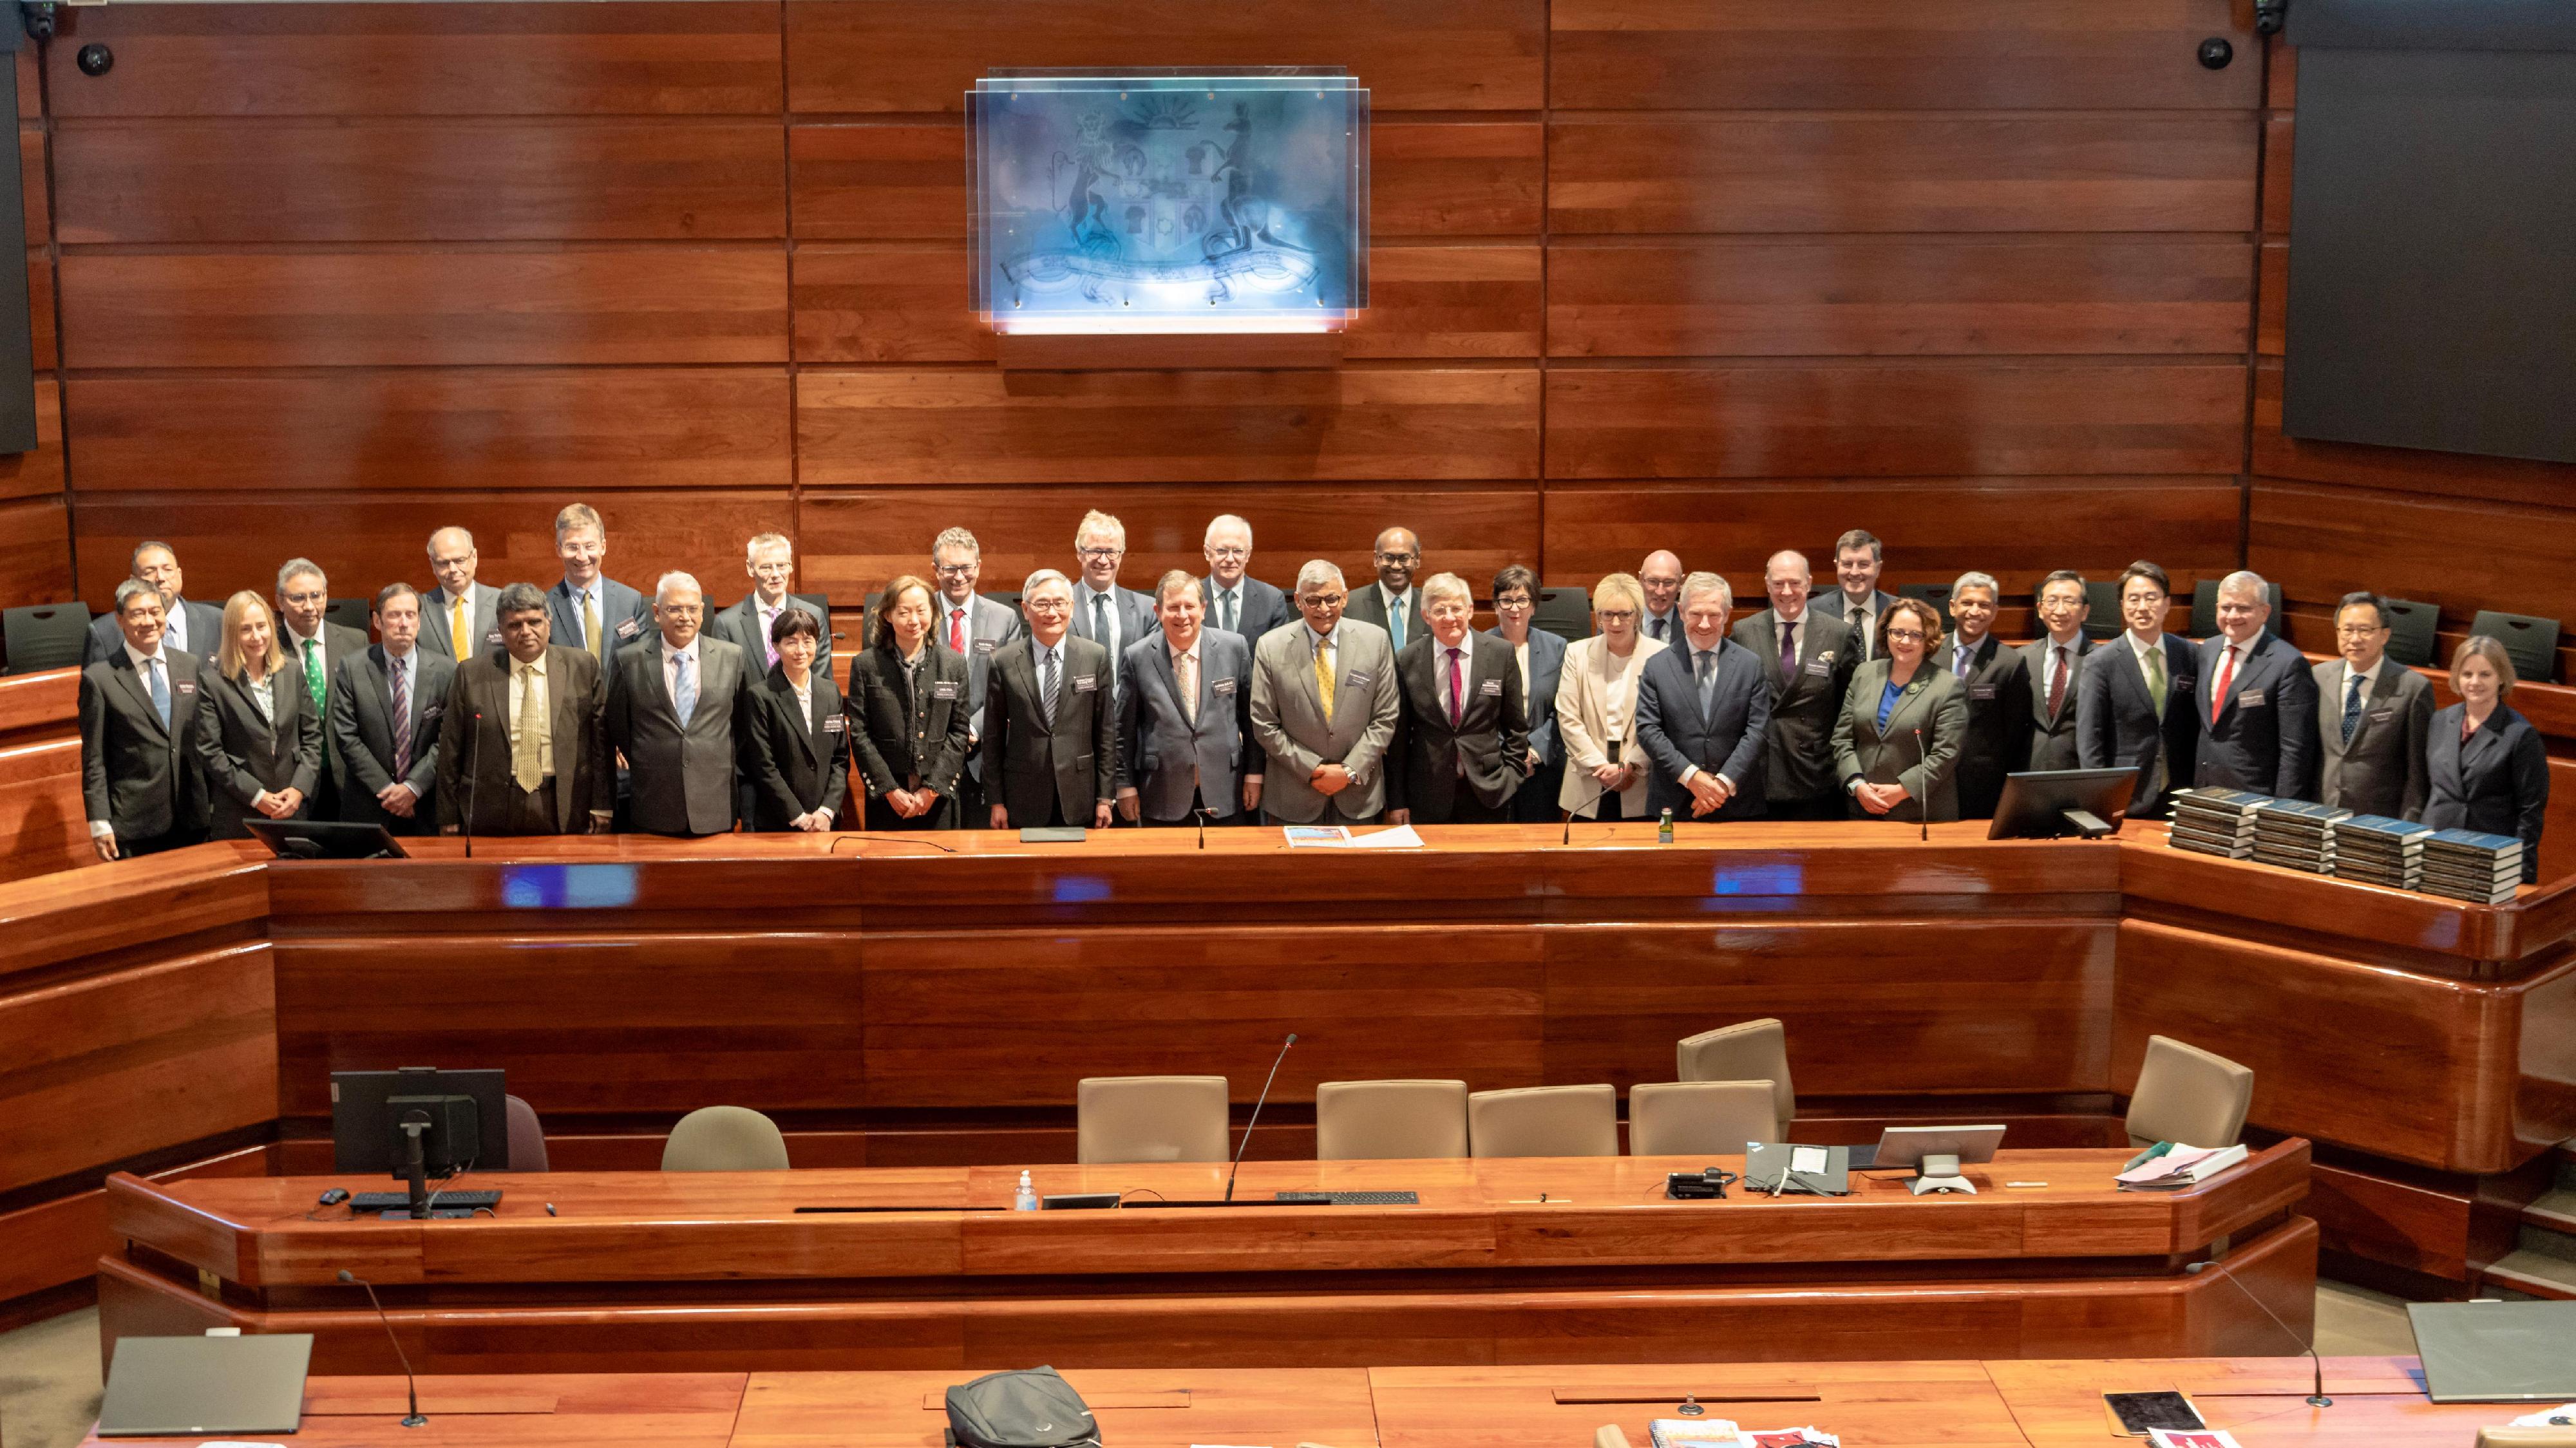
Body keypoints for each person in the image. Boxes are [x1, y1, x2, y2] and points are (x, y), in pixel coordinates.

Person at [435, 581, 614, 836]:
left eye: (534, 622)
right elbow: (451, 749)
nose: (526, 632)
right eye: (515, 625)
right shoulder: (471, 674)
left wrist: (603, 805)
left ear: (549, 623)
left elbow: (601, 742)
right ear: (501, 631)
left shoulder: (582, 666)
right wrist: (448, 815)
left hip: (564, 803)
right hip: (492, 807)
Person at [1250, 559, 1402, 826]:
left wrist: (1349, 771)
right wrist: (1312, 769)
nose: (1324, 609)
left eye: (1332, 599)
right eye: (1313, 600)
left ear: (1345, 598)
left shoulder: (1375, 641)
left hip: (1358, 796)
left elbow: (1386, 717)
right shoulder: (1270, 647)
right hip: (1293, 797)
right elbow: (1264, 724)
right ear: (1298, 601)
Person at [606, 572, 748, 837]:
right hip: (654, 805)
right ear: (657, 613)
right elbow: (620, 727)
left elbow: (740, 726)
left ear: (702, 611)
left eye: (692, 609)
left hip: (714, 806)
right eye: (674, 609)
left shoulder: (732, 657)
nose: (685, 617)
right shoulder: (628, 661)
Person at [1116, 570, 1260, 827]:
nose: (1182, 615)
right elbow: (1123, 731)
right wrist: (1125, 786)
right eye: (1173, 607)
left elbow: (1250, 721)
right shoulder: (1137, 657)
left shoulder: (1234, 648)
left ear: (1203, 609)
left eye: (1190, 606)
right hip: (1161, 795)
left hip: (1226, 791)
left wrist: (1254, 774)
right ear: (1158, 611)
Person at [79, 581, 207, 860]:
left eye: (155, 611)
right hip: (136, 824)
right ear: (120, 620)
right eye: (138, 614)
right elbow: (94, 759)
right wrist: (99, 823)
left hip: (192, 815)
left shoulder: (189, 664)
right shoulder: (99, 679)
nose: (149, 621)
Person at [1387, 572, 1528, 825]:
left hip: (1489, 791)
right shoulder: (1407, 659)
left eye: (1456, 608)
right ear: (1426, 616)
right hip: (1427, 795)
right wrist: (1398, 799)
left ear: (1470, 610)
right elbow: (1399, 737)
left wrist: (1510, 778)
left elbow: (1516, 728)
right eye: (1440, 610)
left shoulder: (1500, 654)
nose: (1449, 617)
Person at [983, 570, 1117, 829]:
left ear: (1072, 607)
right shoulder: (1003, 661)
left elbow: (1106, 733)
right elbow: (993, 738)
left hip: (1081, 794)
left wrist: (1105, 798)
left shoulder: (1095, 656)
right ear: (1025, 609)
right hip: (1023, 795)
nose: (1052, 612)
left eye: (1059, 603)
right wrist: (996, 801)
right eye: (1042, 604)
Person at [1731, 550, 1857, 820]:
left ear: (1809, 583)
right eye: (1778, 583)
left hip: (1815, 774)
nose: (1786, 592)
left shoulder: (1838, 634)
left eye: (1795, 583)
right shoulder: (1744, 632)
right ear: (1767, 585)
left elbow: (1848, 709)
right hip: (1761, 772)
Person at [1634, 572, 1770, 822]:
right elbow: (1648, 730)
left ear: (1728, 614)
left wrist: (1721, 785)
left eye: (1714, 615)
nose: (1705, 624)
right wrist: (1693, 778)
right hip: (1674, 802)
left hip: (1737, 803)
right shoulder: (1657, 666)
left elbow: (1758, 731)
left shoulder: (1750, 665)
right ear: (1681, 611)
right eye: (1696, 614)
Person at [846, 574, 971, 831]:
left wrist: (932, 789)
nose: (914, 620)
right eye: (904, 612)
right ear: (888, 615)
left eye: (921, 610)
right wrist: (889, 789)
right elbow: (859, 732)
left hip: (938, 797)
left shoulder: (953, 664)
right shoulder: (866, 665)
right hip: (887, 797)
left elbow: (959, 731)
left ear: (933, 613)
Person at [192, 590, 321, 840]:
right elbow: (210, 752)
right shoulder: (213, 682)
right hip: (240, 813)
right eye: (246, 629)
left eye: (262, 626)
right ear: (232, 633)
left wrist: (299, 788)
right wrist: (257, 796)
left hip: (291, 808)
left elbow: (312, 737)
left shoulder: (292, 671)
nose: (256, 636)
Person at [2076, 560, 2199, 820]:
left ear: (2167, 604)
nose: (2142, 607)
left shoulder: (2189, 654)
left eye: (2151, 598)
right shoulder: (2101, 662)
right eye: (2133, 599)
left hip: (2180, 792)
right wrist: (2101, 798)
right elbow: (2089, 739)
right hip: (2126, 796)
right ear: (2122, 606)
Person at [1832, 597, 1970, 823]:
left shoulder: (1947, 686)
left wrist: (1902, 790)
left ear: (1929, 639)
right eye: (1897, 632)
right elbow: (1842, 739)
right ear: (1886, 633)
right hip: (1863, 806)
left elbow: (1946, 754)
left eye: (1916, 635)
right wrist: (1857, 784)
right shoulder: (1864, 674)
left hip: (1919, 813)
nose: (1905, 641)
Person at [328, 583, 451, 835]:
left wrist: (413, 787)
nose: (404, 623)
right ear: (377, 621)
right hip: (369, 806)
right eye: (395, 615)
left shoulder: (447, 671)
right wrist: (388, 790)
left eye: (410, 615)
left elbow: (448, 740)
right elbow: (346, 737)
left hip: (425, 807)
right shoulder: (352, 668)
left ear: (419, 621)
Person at [2425, 636, 2548, 884]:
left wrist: (2519, 871)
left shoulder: (2520, 734)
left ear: (2501, 677)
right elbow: (2427, 787)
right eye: (2467, 674)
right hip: (2435, 849)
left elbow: (2530, 811)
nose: (2475, 682)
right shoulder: (2439, 720)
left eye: (2485, 674)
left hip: (2488, 858)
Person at [2193, 569, 2318, 801]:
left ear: (2265, 612)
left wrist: (2282, 810)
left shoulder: (2288, 663)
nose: (2233, 616)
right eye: (2226, 607)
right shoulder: (2208, 650)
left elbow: (2296, 749)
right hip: (2204, 788)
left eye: (2243, 608)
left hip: (2255, 796)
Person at [2313, 591, 2433, 821]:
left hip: (2379, 819)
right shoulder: (2318, 677)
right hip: (2322, 811)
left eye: (2365, 630)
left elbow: (2418, 772)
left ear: (2385, 635)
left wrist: (2408, 825)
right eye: (2347, 630)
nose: (2355, 638)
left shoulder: (2413, 688)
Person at [1556, 573, 1665, 822]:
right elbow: (1568, 717)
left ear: (1637, 615)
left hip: (1641, 781)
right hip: (1588, 778)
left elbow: (1663, 722)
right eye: (1608, 614)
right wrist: (1600, 767)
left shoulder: (1660, 656)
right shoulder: (1577, 653)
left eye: (1625, 614)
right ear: (1598, 617)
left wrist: (1631, 766)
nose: (1616, 622)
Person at [274, 558, 369, 819]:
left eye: (316, 596)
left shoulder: (356, 641)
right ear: (280, 602)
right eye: (298, 598)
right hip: (292, 779)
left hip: (345, 775)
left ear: (326, 596)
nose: (309, 606)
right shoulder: (269, 647)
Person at [742, 609, 849, 832]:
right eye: (791, 642)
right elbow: (763, 765)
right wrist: (798, 816)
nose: (801, 650)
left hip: (825, 821)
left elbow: (840, 759)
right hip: (778, 821)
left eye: (807, 641)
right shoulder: (760, 696)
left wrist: (827, 810)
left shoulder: (831, 692)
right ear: (776, 646)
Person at [1944, 571, 2034, 820]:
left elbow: (2016, 733)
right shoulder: (1928, 655)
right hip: (1932, 781)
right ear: (1952, 607)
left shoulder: (2009, 663)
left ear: (1994, 612)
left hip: (1984, 787)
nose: (1975, 611)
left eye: (1984, 605)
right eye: (1967, 603)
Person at [1486, 565, 1566, 823]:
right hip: (1495, 768)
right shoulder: (1479, 648)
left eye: (1522, 600)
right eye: (1506, 600)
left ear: (1533, 606)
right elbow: (1476, 711)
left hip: (1544, 767)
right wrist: (1509, 753)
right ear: (1495, 605)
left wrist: (1533, 753)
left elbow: (1564, 710)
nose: (1514, 608)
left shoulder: (1557, 647)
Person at [706, 532, 828, 677]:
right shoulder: (728, 624)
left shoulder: (814, 615)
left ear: (791, 566)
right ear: (750, 568)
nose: (775, 574)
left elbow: (823, 682)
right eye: (766, 567)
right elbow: (725, 683)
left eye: (781, 565)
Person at [83, 541, 223, 666]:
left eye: (168, 570)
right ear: (133, 581)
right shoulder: (104, 633)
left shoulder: (217, 621)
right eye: (149, 572)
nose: (161, 578)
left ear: (180, 574)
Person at [1067, 509, 1155, 703]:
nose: (1103, 560)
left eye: (1111, 552)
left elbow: (1149, 670)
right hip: (1076, 714)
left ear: (1121, 555)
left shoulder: (1148, 611)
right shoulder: (1061, 607)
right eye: (1095, 551)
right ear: (1080, 553)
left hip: (1129, 715)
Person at [544, 503, 650, 664]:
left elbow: (642, 660)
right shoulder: (545, 607)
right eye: (572, 547)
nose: (582, 556)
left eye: (589, 546)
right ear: (559, 550)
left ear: (603, 547)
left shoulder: (630, 601)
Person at [2022, 570, 2094, 771]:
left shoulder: (2101, 660)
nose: (2060, 610)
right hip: (2030, 768)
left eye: (2069, 601)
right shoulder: (2022, 658)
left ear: (2085, 611)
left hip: (2081, 770)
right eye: (2052, 601)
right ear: (2040, 609)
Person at [1202, 514, 1293, 641]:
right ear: (1207, 552)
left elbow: (1279, 650)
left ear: (1248, 554)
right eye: (1222, 550)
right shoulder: (1189, 598)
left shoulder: (1271, 600)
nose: (1230, 559)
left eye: (1238, 551)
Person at [419, 527, 502, 664]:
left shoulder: (501, 602)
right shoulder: (419, 609)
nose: (453, 569)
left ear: (474, 557)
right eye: (444, 563)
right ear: (433, 564)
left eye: (459, 561)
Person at [1810, 529, 1897, 660]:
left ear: (1878, 568)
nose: (1854, 572)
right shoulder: (1814, 612)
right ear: (1837, 566)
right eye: (1847, 564)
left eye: (1863, 564)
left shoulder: (1897, 611)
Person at [1343, 527, 1424, 652]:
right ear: (1376, 559)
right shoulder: (1350, 606)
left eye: (1404, 559)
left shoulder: (1432, 605)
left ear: (1417, 560)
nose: (1396, 566)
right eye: (1389, 558)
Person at [1638, 551, 1685, 646]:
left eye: (1668, 582)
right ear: (1641, 580)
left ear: (1681, 583)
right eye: (1653, 581)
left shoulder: (1691, 623)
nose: (1660, 592)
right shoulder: (1622, 620)